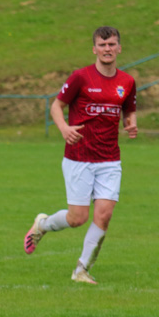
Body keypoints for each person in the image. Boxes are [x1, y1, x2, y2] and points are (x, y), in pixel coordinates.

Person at [24, 26, 137, 284]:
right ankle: (42, 225)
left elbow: (129, 110)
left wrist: (131, 124)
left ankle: (81, 269)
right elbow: (56, 105)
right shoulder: (80, 77)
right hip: (79, 157)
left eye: (112, 44)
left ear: (119, 48)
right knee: (78, 218)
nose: (107, 49)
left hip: (110, 158)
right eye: (102, 44)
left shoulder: (127, 81)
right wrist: (63, 128)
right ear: (94, 49)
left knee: (105, 214)